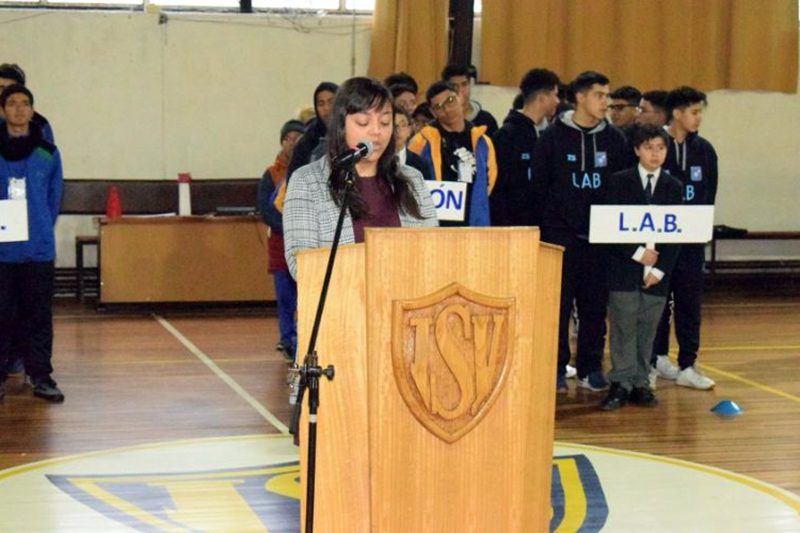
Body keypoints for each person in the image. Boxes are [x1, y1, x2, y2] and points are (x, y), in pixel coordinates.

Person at [283, 77, 438, 279]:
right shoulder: (307, 182)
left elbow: (433, 252)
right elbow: (300, 263)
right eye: (363, 122)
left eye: (384, 122)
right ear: (340, 125)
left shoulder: (412, 179)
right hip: (342, 305)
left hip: (404, 305)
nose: (376, 132)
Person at [532, 71, 628, 393]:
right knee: (557, 308)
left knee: (594, 308)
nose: (607, 102)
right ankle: (557, 368)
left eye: (608, 95)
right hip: (561, 238)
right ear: (581, 97)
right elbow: (540, 188)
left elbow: (622, 189)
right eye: (600, 95)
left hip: (600, 241)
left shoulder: (615, 141)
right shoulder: (552, 137)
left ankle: (590, 367)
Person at [599, 125, 683, 411]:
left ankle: (640, 382)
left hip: (658, 273)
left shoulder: (674, 187)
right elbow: (610, 228)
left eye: (660, 148)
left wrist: (658, 269)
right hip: (623, 269)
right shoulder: (619, 182)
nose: (655, 154)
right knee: (623, 326)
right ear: (636, 150)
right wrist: (637, 254)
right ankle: (620, 382)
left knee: (648, 329)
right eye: (648, 147)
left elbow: (676, 236)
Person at [650, 86, 718, 390]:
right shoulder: (653, 145)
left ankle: (688, 363)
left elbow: (708, 194)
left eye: (701, 111)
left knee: (690, 302)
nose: (699, 118)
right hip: (660, 241)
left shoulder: (705, 150)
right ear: (676, 113)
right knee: (657, 301)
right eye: (694, 112)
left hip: (690, 242)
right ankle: (656, 359)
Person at [0, 84, 64, 403]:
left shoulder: (48, 152)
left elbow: (54, 199)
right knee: (2, 314)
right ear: (3, 110)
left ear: (32, 109)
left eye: (25, 104)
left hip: (38, 249)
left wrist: (39, 228)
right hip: (2, 252)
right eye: (12, 104)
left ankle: (41, 376)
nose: (19, 110)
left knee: (39, 315)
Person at [408, 80, 497, 227]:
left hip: (473, 222)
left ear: (460, 97)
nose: (447, 110)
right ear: (432, 112)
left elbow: (490, 181)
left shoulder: (483, 142)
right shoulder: (422, 141)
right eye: (439, 107)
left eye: (450, 100)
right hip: (436, 224)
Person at [258, 119, 306, 363]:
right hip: (280, 241)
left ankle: (303, 338)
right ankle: (287, 338)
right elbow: (265, 209)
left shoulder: (307, 169)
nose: (293, 143)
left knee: (305, 294)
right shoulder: (272, 173)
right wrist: (287, 228)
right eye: (289, 138)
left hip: (304, 242)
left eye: (298, 138)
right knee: (285, 293)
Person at [491, 68, 560, 227]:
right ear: (542, 98)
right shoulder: (507, 135)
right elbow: (499, 187)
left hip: (540, 224)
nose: (557, 101)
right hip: (512, 225)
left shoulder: (549, 135)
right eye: (555, 95)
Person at [286, 81, 338, 181]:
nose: (326, 109)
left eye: (331, 102)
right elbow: (294, 180)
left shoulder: (352, 135)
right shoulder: (307, 141)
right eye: (321, 104)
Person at [0, 64, 54, 143]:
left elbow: (48, 153)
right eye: (1, 88)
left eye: (11, 88)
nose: (6, 93)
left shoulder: (40, 123)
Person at [441, 64, 498, 136]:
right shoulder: (440, 120)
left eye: (464, 84)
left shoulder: (486, 120)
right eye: (454, 86)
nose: (460, 90)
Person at [394, 104, 431, 181]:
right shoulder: (376, 160)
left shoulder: (421, 164)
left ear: (409, 130)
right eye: (394, 125)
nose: (398, 130)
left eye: (403, 125)